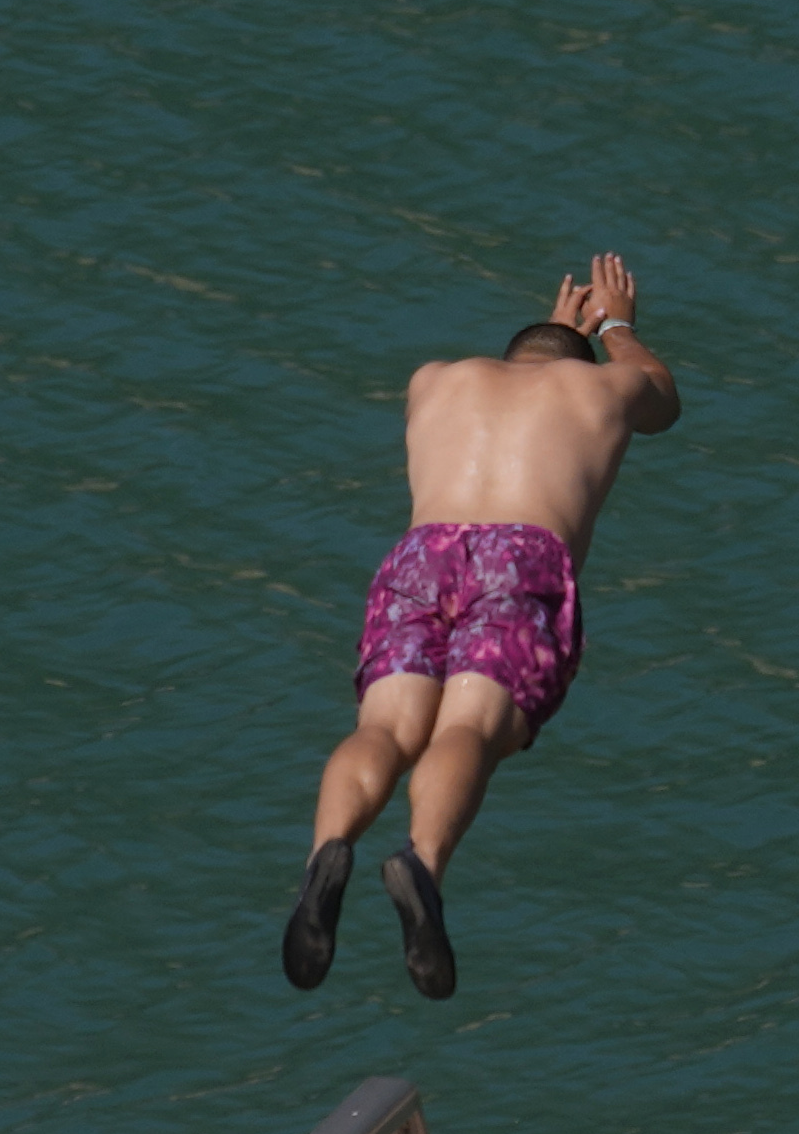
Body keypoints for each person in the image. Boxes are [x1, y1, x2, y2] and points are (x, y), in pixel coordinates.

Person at [283, 257, 681, 1002]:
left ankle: (325, 854)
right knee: (469, 730)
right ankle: (422, 868)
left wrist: (559, 331)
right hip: (520, 557)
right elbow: (663, 399)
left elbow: (531, 367)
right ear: (581, 357)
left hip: (422, 554)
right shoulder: (603, 386)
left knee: (389, 729)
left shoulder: (434, 380)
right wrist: (619, 325)